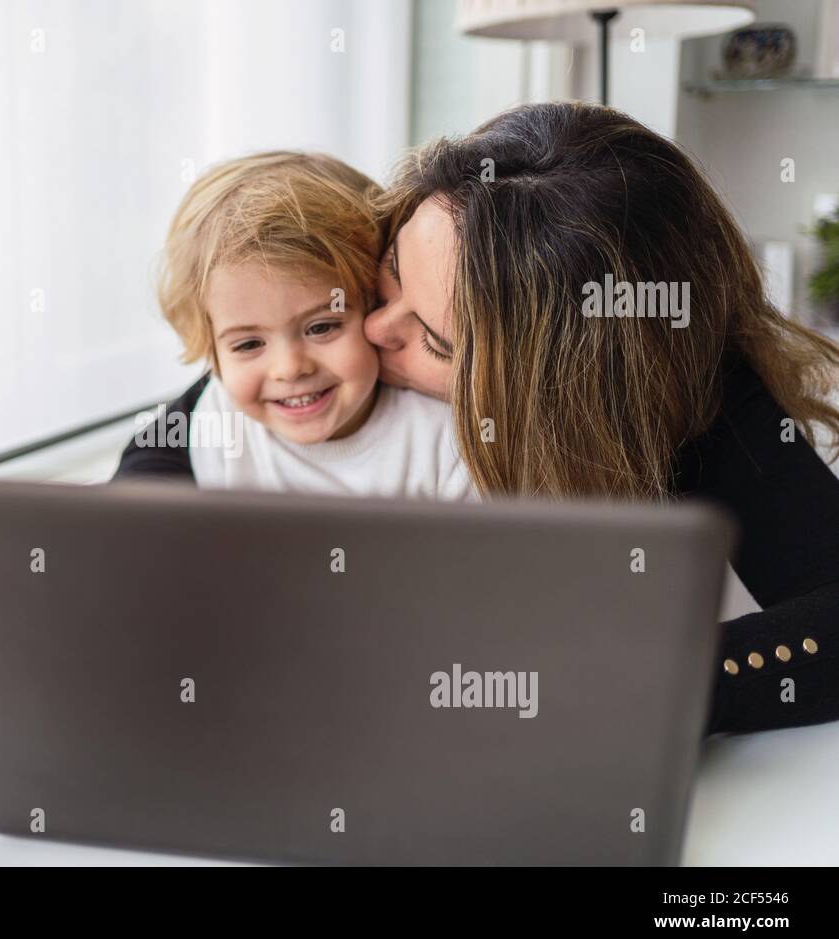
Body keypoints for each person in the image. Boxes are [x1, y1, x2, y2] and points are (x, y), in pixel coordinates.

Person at [118, 103, 839, 736]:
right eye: (389, 270)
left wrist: (645, 683)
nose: (373, 330)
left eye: (433, 339)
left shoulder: (706, 411)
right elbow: (212, 401)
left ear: (545, 387)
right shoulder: (328, 342)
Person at [126, 150, 470, 499]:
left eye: (321, 327)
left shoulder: (442, 439)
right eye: (248, 344)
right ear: (212, 356)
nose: (289, 369)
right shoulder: (213, 420)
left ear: (373, 303)